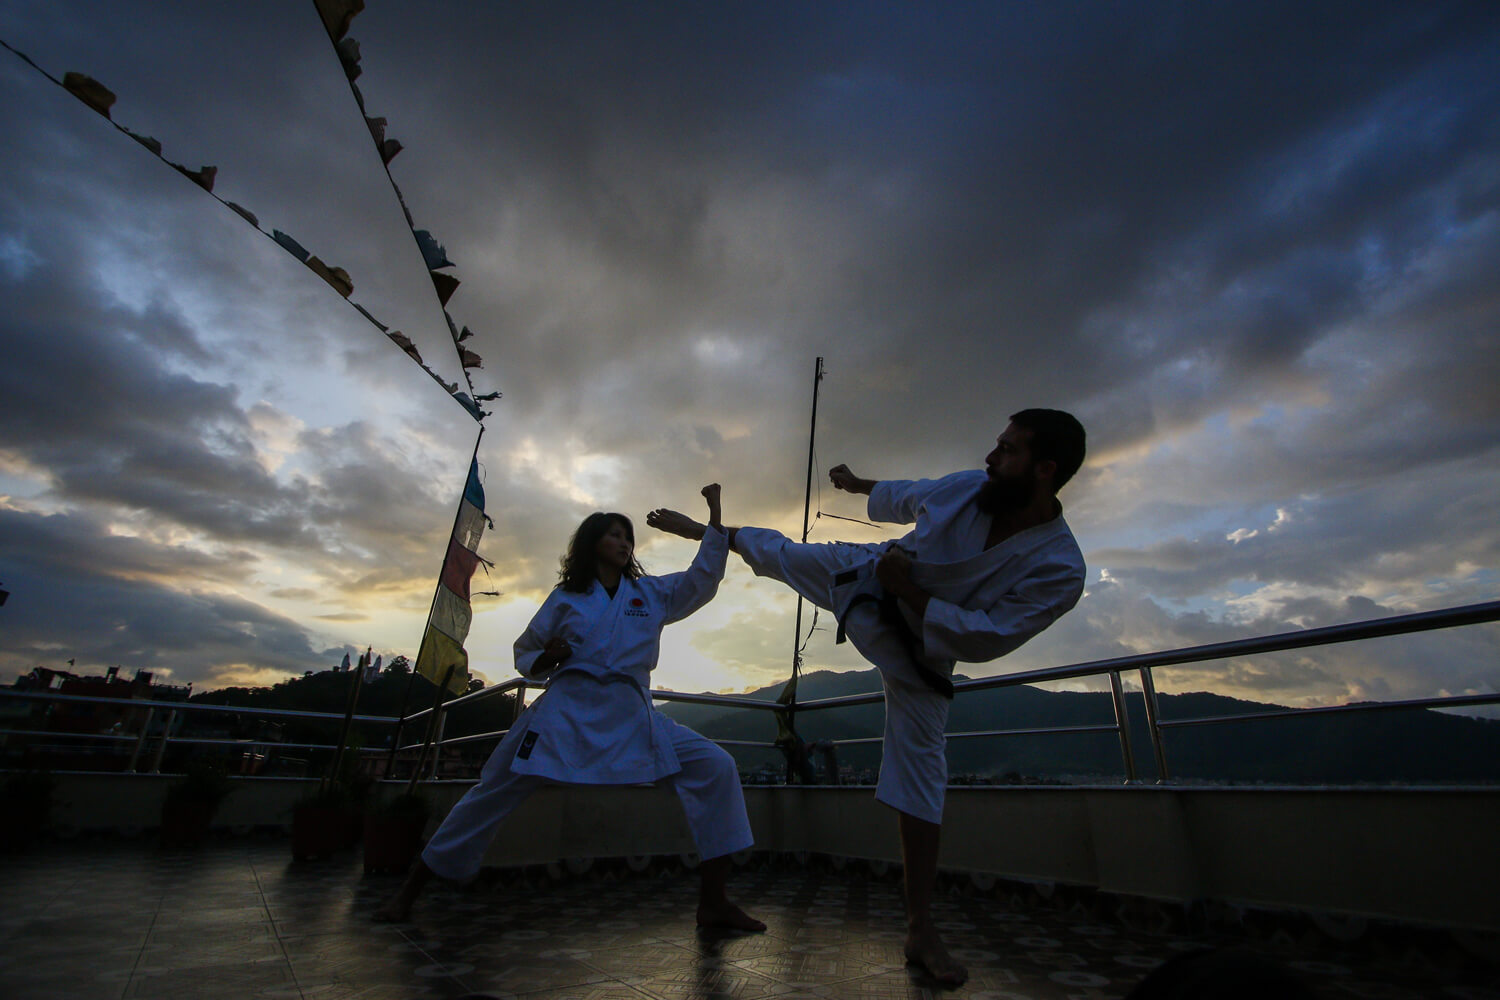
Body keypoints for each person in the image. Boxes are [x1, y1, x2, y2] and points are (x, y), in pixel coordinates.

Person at [654, 409, 1087, 986]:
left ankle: (920, 930)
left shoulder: (1059, 566)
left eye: (1007, 450)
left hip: (925, 644)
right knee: (784, 551)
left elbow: (989, 636)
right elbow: (909, 495)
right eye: (995, 444)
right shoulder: (967, 488)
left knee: (923, 766)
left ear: (1045, 469)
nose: (991, 457)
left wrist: (910, 590)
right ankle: (709, 533)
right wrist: (860, 486)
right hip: (865, 578)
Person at [376, 484, 763, 932]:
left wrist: (714, 513)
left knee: (716, 767)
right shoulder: (565, 598)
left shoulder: (650, 595)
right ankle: (410, 891)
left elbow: (701, 578)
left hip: (630, 713)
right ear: (592, 542)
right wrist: (549, 658)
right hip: (565, 712)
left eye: (628, 537)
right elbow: (528, 655)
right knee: (489, 793)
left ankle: (714, 902)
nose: (623, 543)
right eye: (614, 535)